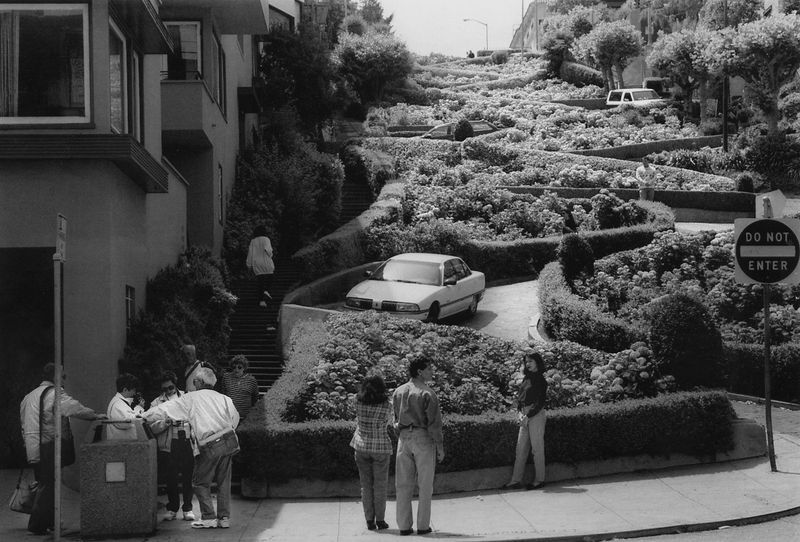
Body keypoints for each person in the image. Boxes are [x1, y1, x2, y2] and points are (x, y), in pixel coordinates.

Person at [143, 367, 240, 529]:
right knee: (224, 482)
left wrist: (143, 416)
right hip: (229, 441)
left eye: (195, 380)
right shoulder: (224, 398)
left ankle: (208, 517)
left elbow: (165, 410)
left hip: (209, 443)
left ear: (200, 382)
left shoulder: (191, 398)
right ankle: (224, 518)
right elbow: (234, 418)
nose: (193, 382)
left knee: (199, 482)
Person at [20, 363, 106, 535]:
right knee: (48, 485)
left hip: (33, 446)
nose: (65, 380)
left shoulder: (29, 397)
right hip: (48, 446)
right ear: (56, 376)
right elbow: (73, 408)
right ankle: (37, 524)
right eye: (63, 376)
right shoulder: (54, 393)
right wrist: (95, 415)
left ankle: (49, 521)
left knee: (45, 483)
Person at [393, 355, 444, 536]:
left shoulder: (398, 391)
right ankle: (423, 526)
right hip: (423, 438)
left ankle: (404, 527)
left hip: (404, 438)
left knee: (403, 485)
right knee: (425, 484)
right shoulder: (428, 393)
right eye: (429, 368)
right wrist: (440, 447)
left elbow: (395, 421)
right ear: (420, 371)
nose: (432, 371)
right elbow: (434, 425)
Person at [148, 371, 195, 522]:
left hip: (186, 440)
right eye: (165, 389)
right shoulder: (156, 403)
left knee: (188, 476)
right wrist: (165, 423)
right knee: (171, 478)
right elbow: (151, 427)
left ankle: (188, 508)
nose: (168, 390)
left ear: (175, 385)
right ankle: (173, 508)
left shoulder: (187, 398)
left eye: (171, 387)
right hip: (169, 443)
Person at [350, 370, 393, 531]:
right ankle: (380, 520)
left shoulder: (357, 401)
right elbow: (390, 420)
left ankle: (369, 520)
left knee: (365, 486)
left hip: (361, 446)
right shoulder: (386, 405)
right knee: (380, 486)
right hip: (380, 446)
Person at [505, 348, 548, 491]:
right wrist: (519, 414)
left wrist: (528, 416)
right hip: (524, 414)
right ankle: (515, 481)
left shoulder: (541, 380)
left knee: (537, 449)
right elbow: (519, 398)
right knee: (520, 449)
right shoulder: (526, 378)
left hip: (535, 415)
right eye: (526, 361)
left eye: (530, 361)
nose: (527, 364)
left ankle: (539, 480)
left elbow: (540, 402)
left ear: (537, 362)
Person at [220, 355, 259, 422]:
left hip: (245, 417)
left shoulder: (251, 380)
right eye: (234, 367)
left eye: (239, 367)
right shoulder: (226, 377)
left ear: (244, 368)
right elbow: (223, 394)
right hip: (229, 417)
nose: (236, 370)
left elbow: (255, 398)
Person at [106, 373, 144, 440]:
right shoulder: (117, 404)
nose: (134, 393)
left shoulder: (120, 403)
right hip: (121, 446)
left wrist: (139, 407)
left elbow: (128, 417)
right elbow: (127, 423)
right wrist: (140, 410)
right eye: (133, 390)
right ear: (125, 390)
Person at [245, 224, 275, 309]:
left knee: (260, 282)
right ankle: (266, 291)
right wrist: (270, 254)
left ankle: (262, 301)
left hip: (257, 264)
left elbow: (250, 254)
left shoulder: (253, 241)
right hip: (267, 263)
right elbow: (269, 251)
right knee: (270, 278)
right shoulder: (266, 239)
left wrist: (249, 265)